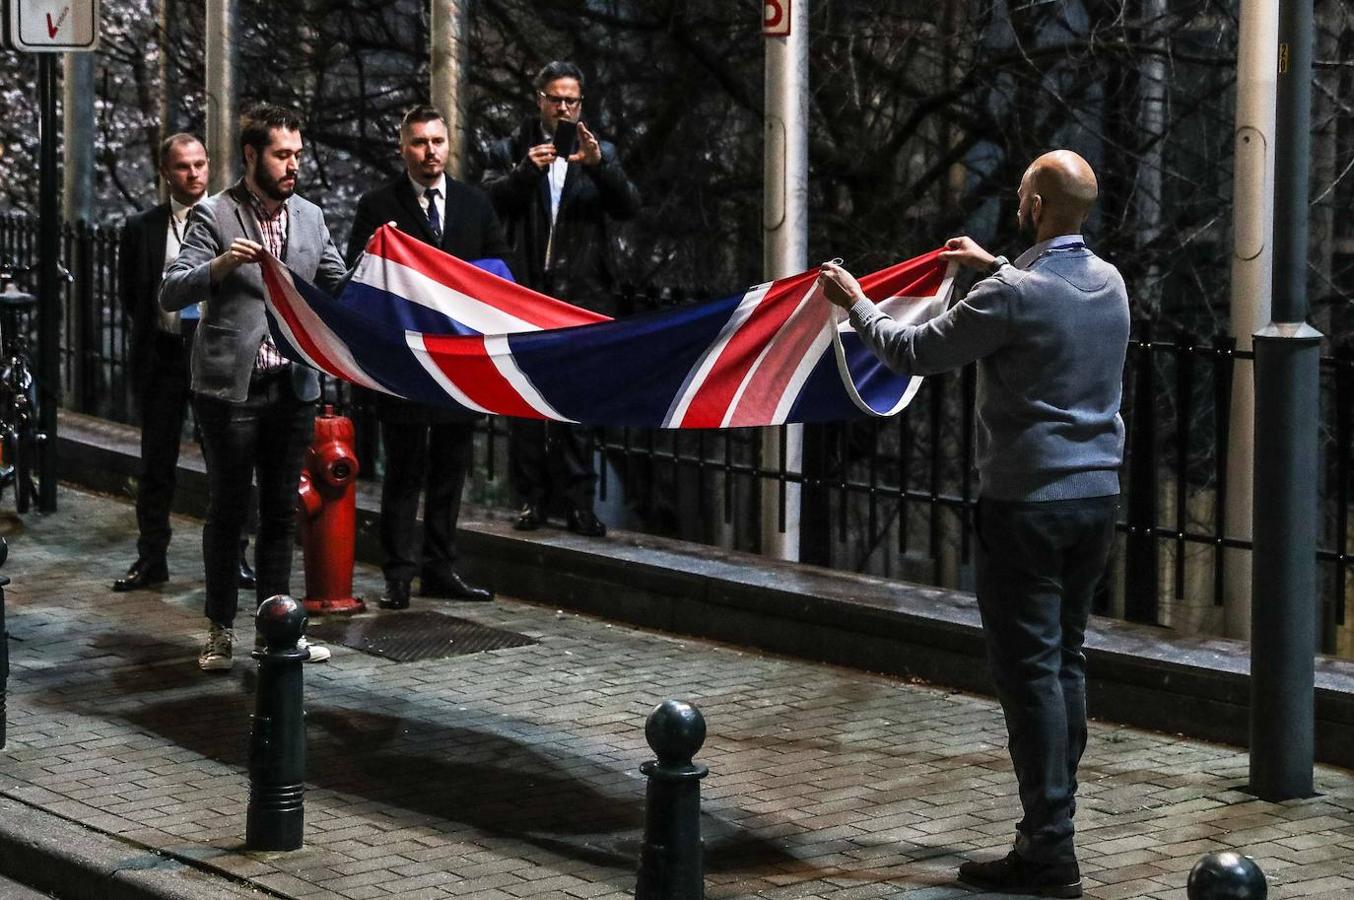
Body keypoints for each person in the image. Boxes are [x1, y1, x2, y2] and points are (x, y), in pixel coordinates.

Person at [817, 150, 1129, 899]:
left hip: (1026, 507)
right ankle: (1052, 825)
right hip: (1096, 504)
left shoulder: (1016, 295)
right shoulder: (1110, 285)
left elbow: (912, 351)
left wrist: (853, 300)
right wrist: (995, 266)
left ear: (1030, 206)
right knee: (1066, 663)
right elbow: (1037, 295)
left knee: (1029, 677)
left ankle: (1049, 849)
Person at [161, 103, 345, 672]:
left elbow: (337, 284)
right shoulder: (214, 214)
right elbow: (171, 290)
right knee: (229, 510)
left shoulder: (311, 217)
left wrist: (385, 269)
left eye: (297, 154)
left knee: (281, 514)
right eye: (281, 155)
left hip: (294, 387)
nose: (293, 165)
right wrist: (216, 267)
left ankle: (277, 630)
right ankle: (219, 630)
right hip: (231, 391)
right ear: (251, 155)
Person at [346, 105, 508, 610]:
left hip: (460, 365)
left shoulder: (473, 204)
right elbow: (361, 275)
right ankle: (398, 574)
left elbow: (498, 274)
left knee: (450, 471)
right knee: (404, 472)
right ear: (404, 149)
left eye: (437, 141)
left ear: (448, 144)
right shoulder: (378, 205)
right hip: (406, 366)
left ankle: (441, 568)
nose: (429, 151)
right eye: (418, 142)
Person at [482, 60, 640, 537]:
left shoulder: (599, 151)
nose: (564, 108)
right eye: (556, 98)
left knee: (578, 398)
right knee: (525, 398)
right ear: (540, 99)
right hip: (525, 288)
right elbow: (486, 202)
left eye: (572, 100)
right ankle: (530, 500)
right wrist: (526, 173)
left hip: (581, 292)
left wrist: (601, 167)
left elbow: (629, 205)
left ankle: (578, 502)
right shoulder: (511, 148)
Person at [114, 134, 255, 593]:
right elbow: (133, 295)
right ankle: (151, 558)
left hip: (213, 355)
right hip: (164, 354)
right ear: (165, 173)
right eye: (182, 167)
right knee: (156, 462)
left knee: (226, 462)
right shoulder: (143, 227)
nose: (193, 174)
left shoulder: (230, 218)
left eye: (200, 164)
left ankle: (234, 558)